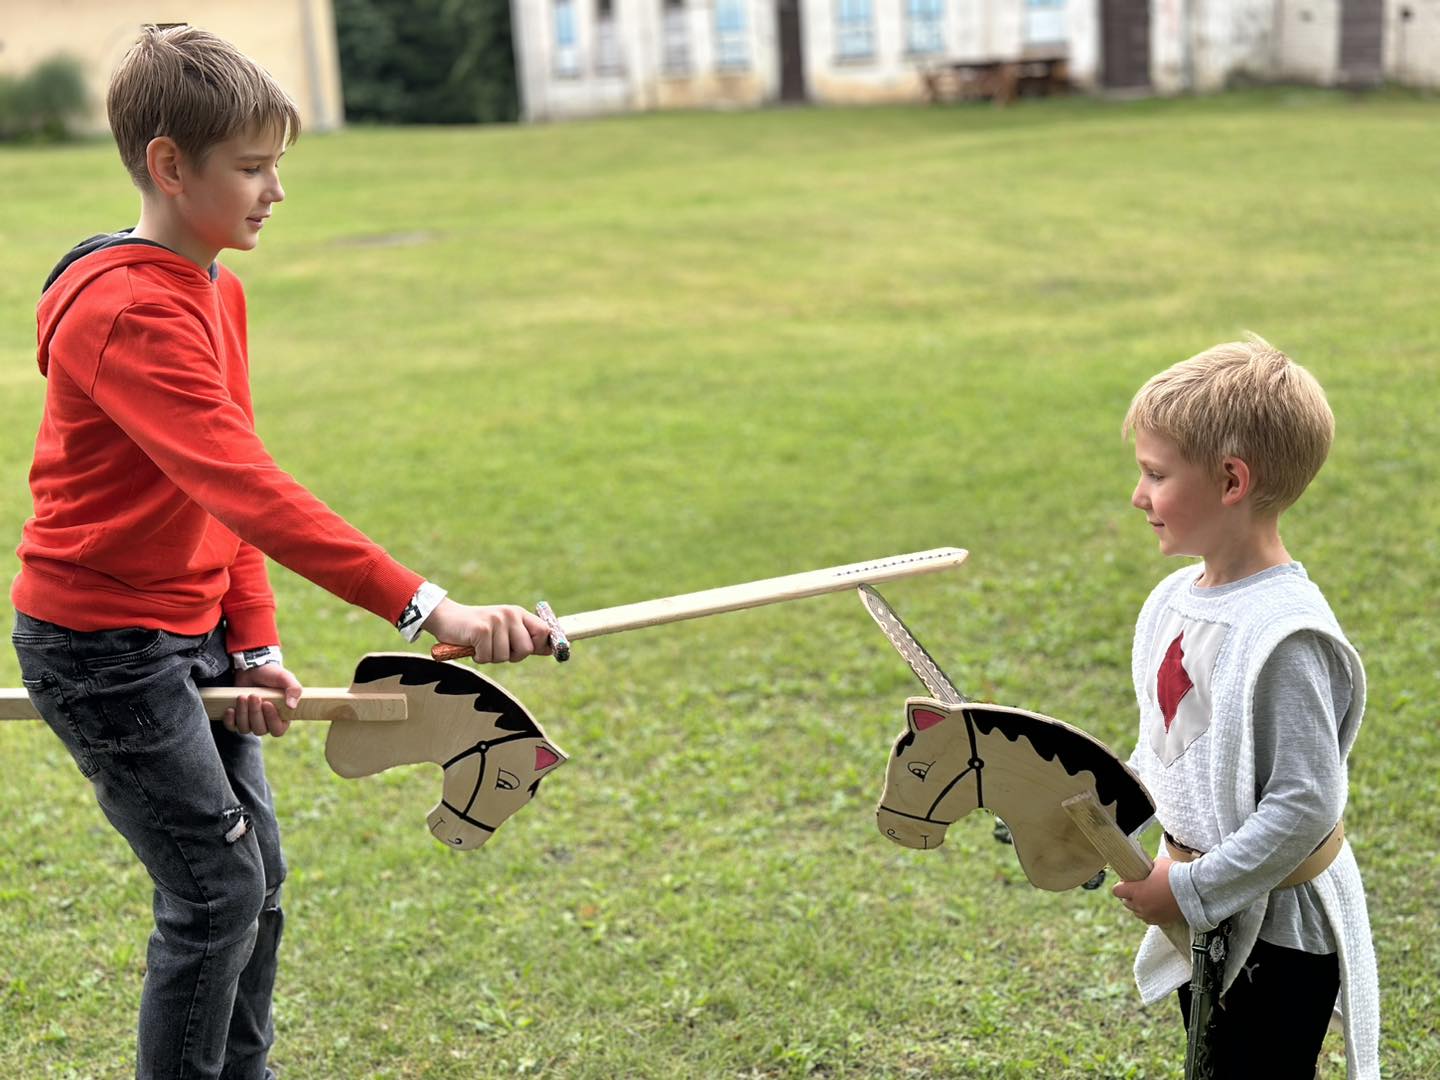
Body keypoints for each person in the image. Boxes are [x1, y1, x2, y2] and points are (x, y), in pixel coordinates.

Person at [10, 25, 552, 1080]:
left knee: (258, 882)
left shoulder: (217, 289)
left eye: (278, 165)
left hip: (192, 628)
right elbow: (245, 488)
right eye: (253, 167)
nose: (276, 192)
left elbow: (227, 490)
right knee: (217, 891)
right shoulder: (126, 312)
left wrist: (252, 645)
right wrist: (427, 607)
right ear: (171, 165)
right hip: (102, 647)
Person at [1112, 335, 1379, 1078]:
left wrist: (1190, 888)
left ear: (1231, 480)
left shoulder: (1284, 635)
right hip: (1205, 915)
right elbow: (1165, 749)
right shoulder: (1172, 600)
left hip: (1279, 936)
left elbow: (1305, 803)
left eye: (1156, 474)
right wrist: (1094, 814)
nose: (1138, 496)